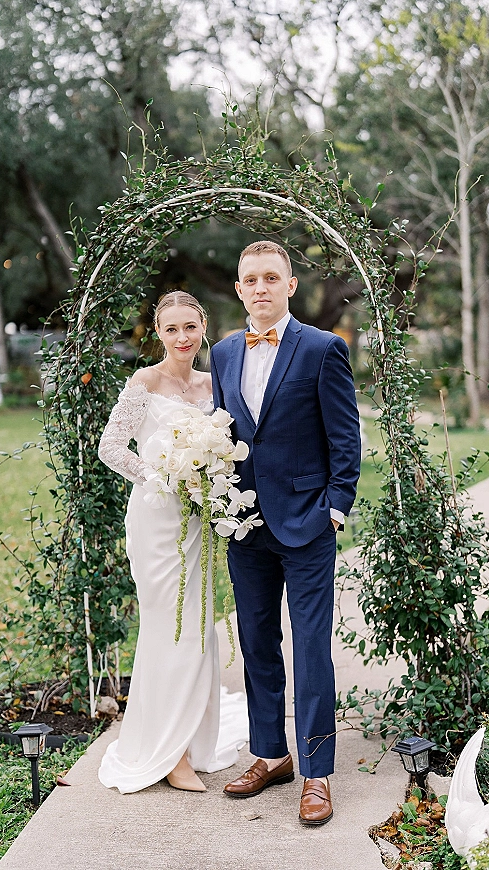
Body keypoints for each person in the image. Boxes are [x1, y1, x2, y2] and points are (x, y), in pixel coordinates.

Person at [210, 241, 362, 825]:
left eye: (271, 278)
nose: (260, 288)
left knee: (311, 647)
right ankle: (270, 753)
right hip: (243, 525)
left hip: (307, 523)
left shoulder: (323, 349)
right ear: (239, 287)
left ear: (290, 285)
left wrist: (336, 505)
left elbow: (345, 438)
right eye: (250, 279)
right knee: (256, 644)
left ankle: (317, 772)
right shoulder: (223, 352)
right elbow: (223, 435)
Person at [97, 290, 248, 794]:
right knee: (167, 626)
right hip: (158, 519)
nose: (181, 338)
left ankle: (190, 739)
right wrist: (160, 477)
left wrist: (211, 478)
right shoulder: (145, 381)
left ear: (203, 327)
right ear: (157, 334)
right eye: (171, 329)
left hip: (199, 523)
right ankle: (170, 753)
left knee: (199, 627)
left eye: (190, 327)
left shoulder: (214, 384)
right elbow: (111, 447)